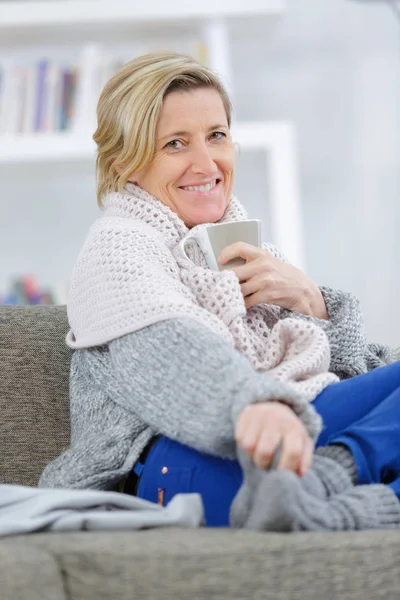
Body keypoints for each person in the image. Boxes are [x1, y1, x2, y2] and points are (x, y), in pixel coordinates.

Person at [39, 51, 400, 532]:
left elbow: (364, 375)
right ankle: (330, 474)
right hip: (179, 464)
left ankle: (324, 509)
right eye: (175, 144)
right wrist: (255, 403)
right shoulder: (119, 246)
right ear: (125, 160)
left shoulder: (249, 251)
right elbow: (173, 354)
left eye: (217, 136)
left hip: (284, 441)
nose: (205, 163)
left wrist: (313, 303)